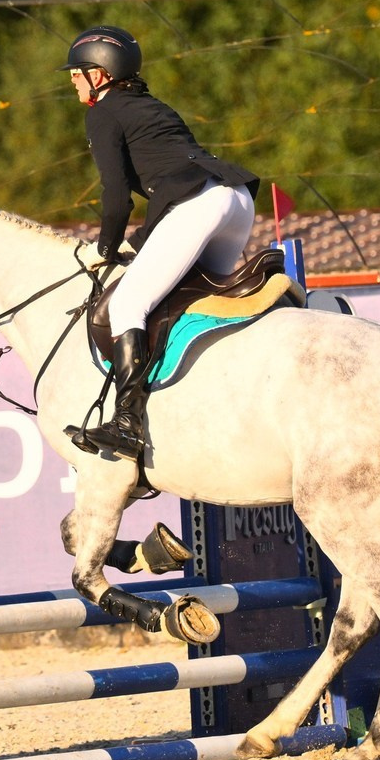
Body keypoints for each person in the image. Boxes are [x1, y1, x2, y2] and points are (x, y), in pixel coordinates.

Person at [59, 25, 260, 462]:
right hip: (236, 199)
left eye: (77, 72)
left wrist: (106, 249)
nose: (71, 79)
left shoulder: (103, 112)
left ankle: (128, 425)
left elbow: (116, 198)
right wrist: (139, 242)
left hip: (197, 206)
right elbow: (169, 184)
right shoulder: (152, 105)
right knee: (196, 300)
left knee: (128, 305)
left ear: (100, 75)